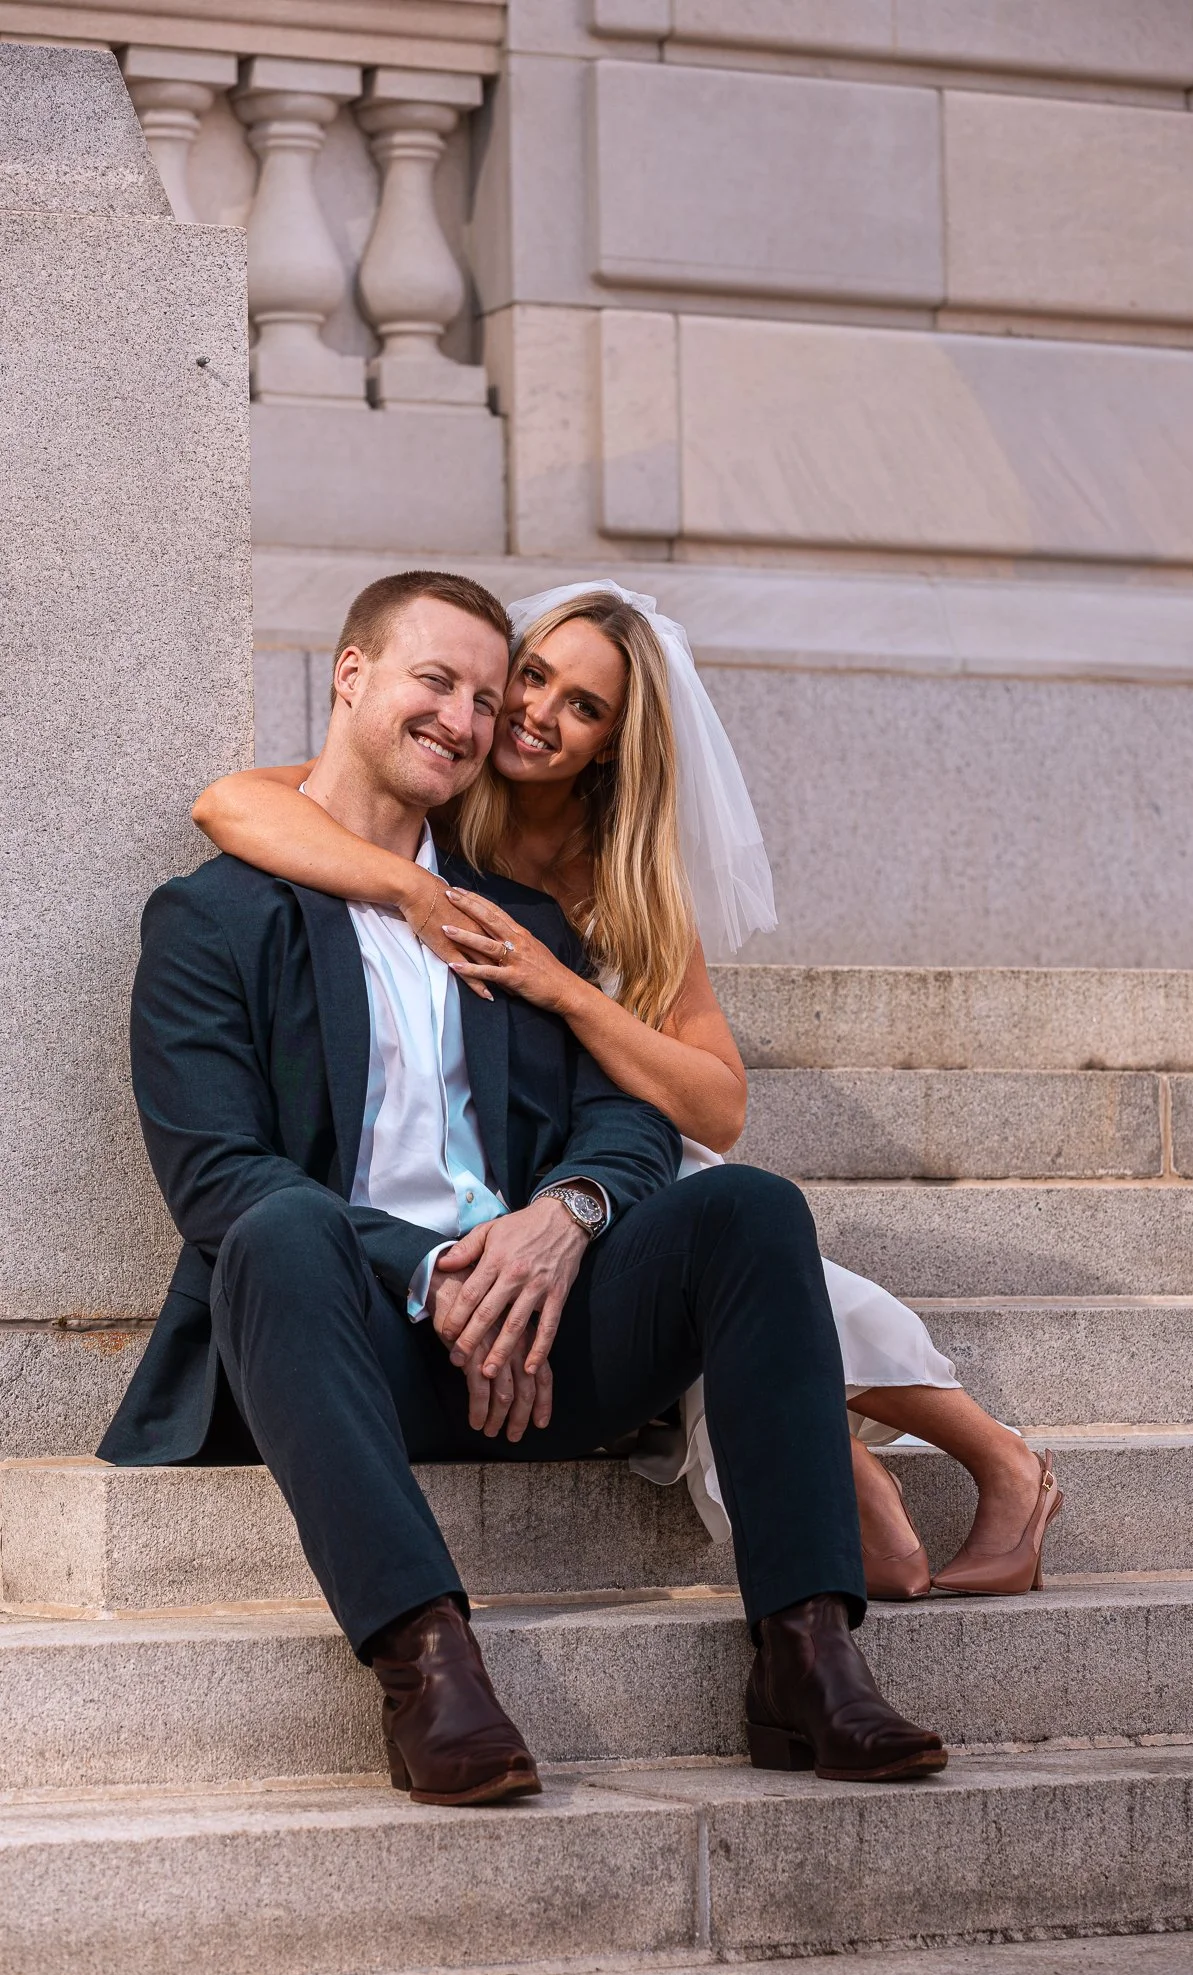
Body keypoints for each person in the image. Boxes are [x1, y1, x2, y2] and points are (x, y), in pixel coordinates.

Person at [101, 570, 949, 1810]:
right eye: (432, 679)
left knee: (751, 1208)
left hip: (537, 1348)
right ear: (351, 677)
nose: (463, 715)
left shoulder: (521, 921)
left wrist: (566, 1221)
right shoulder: (214, 917)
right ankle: (428, 1667)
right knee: (276, 1223)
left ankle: (808, 1657)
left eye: (485, 698)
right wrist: (434, 1267)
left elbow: (630, 1116)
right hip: (345, 1355)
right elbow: (217, 1178)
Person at [194, 580, 1062, 1601]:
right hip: (514, 1154)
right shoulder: (437, 795)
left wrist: (561, 989)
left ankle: (993, 1464)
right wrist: (416, 891)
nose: (535, 712)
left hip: (624, 1135)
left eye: (583, 707)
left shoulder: (626, 879)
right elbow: (230, 802)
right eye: (531, 676)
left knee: (737, 1226)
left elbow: (720, 1104)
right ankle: (848, 1469)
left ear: (611, 742)